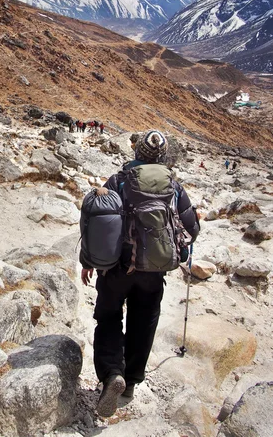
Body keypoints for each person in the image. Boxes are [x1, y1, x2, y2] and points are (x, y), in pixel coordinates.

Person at [80, 130, 200, 417]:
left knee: (108, 317)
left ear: (137, 153)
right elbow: (192, 229)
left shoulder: (119, 180)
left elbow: (97, 221)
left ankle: (112, 374)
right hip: (153, 271)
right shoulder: (175, 186)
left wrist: (88, 260)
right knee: (144, 320)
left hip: (116, 267)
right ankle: (131, 381)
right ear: (162, 156)